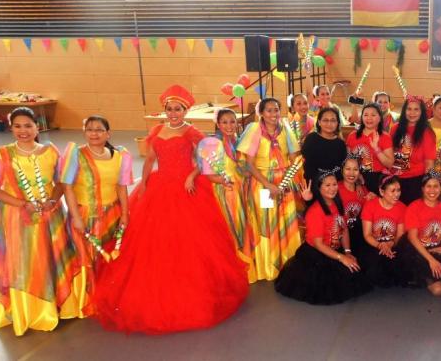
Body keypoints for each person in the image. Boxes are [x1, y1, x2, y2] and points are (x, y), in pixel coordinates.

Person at [94, 85, 248, 334]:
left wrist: (193, 175)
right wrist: (143, 183)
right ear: (164, 110)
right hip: (159, 185)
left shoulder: (192, 131)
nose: (173, 113)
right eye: (169, 109)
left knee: (190, 239)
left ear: (185, 111)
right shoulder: (156, 130)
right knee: (153, 240)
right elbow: (151, 160)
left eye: (178, 109)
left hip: (186, 187)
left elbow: (205, 156)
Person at [0, 107, 79, 336]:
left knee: (50, 257)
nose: (22, 131)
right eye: (17, 126)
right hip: (17, 218)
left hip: (50, 215)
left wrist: (53, 200)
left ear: (38, 127)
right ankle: (28, 311)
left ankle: (54, 306)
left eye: (28, 126)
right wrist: (21, 204)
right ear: (11, 128)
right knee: (24, 261)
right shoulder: (1, 154)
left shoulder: (51, 151)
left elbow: (60, 183)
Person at [61, 115, 132, 317]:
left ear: (108, 133)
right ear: (85, 133)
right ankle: (87, 300)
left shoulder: (119, 155)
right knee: (88, 257)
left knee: (111, 257)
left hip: (113, 214)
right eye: (90, 129)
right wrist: (75, 217)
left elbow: (121, 187)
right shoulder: (76, 154)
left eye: (99, 130)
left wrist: (125, 214)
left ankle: (109, 295)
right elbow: (67, 187)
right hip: (85, 214)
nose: (94, 133)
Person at [275, 172, 372, 304]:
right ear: (319, 189)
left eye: (334, 184)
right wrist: (341, 257)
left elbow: (344, 230)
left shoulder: (338, 205)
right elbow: (318, 244)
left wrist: (348, 252)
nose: (332, 188)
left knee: (356, 269)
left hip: (334, 248)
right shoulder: (315, 211)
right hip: (317, 253)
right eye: (327, 185)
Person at [238, 97, 302, 281]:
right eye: (269, 110)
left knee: (286, 219)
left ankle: (287, 262)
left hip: (283, 183)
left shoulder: (286, 128)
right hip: (263, 184)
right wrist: (269, 185)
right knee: (267, 221)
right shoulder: (254, 130)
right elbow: (249, 164)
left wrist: (285, 181)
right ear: (261, 113)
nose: (273, 114)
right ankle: (268, 266)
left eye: (276, 110)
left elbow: (294, 157)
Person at [197, 108, 256, 281]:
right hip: (226, 193)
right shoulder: (212, 144)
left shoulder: (238, 142)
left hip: (242, 191)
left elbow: (243, 167)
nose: (229, 125)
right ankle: (230, 267)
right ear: (218, 124)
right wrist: (224, 181)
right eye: (225, 122)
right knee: (230, 228)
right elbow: (209, 175)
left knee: (242, 227)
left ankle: (242, 263)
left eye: (232, 121)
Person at [396, 174, 441, 296]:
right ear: (422, 188)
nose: (432, 190)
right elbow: (412, 237)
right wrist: (431, 260)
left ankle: (431, 277)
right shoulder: (414, 207)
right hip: (416, 250)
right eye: (428, 186)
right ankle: (425, 278)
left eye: (436, 186)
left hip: (435, 249)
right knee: (438, 289)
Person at [360, 175, 407, 287]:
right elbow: (367, 235)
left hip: (393, 245)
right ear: (382, 191)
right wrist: (380, 245)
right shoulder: (370, 206)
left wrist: (390, 244)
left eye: (398, 190)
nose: (397, 194)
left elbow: (400, 234)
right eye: (392, 191)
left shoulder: (402, 208)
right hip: (374, 244)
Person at [389, 96, 437, 204]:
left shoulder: (427, 132)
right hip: (394, 179)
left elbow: (429, 163)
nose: (412, 113)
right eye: (409, 109)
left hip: (416, 181)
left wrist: (426, 186)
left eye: (416, 109)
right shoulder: (395, 129)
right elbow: (389, 154)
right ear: (404, 110)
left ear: (422, 112)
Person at [346, 103, 395, 194]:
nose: (369, 118)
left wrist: (376, 149)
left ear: (380, 118)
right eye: (365, 115)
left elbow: (389, 164)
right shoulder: (352, 136)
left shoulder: (385, 137)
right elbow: (347, 161)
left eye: (373, 115)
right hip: (356, 177)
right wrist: (357, 180)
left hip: (378, 179)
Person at [337, 154, 375, 250]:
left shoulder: (362, 189)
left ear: (359, 172)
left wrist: (373, 200)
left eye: (355, 169)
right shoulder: (335, 189)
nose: (351, 173)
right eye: (348, 169)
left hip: (357, 235)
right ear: (342, 170)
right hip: (339, 235)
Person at [301, 107, 347, 183]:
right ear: (319, 122)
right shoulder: (311, 139)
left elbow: (340, 167)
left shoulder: (340, 144)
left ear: (337, 123)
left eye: (333, 120)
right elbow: (308, 165)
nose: (329, 124)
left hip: (334, 186)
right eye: (325, 120)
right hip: (314, 184)